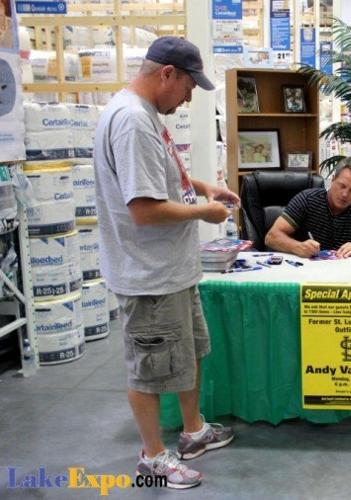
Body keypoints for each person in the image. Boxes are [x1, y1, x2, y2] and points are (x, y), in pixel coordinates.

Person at [94, 36, 241, 490]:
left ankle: (193, 431)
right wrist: (205, 212)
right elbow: (144, 208)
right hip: (149, 276)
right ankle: (153, 456)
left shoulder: (143, 116)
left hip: (171, 271)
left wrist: (204, 187)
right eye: (188, 87)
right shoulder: (133, 122)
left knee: (187, 356)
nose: (189, 96)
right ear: (167, 75)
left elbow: (159, 176)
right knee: (150, 368)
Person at [265, 156, 351, 258]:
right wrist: (297, 247)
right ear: (333, 179)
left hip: (338, 271)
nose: (345, 194)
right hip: (302, 268)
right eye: (342, 186)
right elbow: (271, 237)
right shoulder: (307, 200)